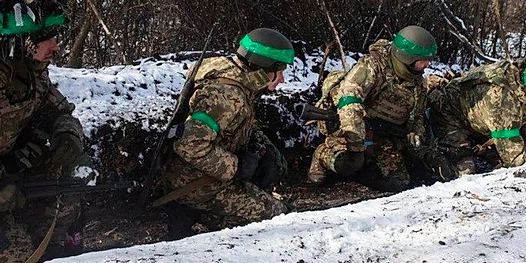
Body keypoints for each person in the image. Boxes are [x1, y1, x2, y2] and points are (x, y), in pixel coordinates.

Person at [0, 0, 97, 263]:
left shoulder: (23, 71)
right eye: (45, 37)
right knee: (16, 261)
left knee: (68, 182)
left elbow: (59, 110)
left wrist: (66, 133)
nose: (56, 45)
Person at [159, 27, 294, 235]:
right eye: (280, 71)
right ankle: (197, 215)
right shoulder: (227, 96)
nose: (282, 79)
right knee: (280, 217)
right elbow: (189, 144)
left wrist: (263, 146)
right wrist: (236, 166)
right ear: (264, 68)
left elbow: (234, 124)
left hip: (200, 176)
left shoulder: (234, 76)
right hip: (196, 185)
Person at [307, 25, 438, 192]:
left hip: (384, 137)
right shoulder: (373, 66)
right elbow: (349, 99)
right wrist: (355, 138)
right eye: (423, 60)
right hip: (353, 127)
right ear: (407, 57)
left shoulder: (417, 82)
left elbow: (417, 114)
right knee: (348, 163)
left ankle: (363, 170)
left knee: (398, 182)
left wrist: (415, 133)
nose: (427, 64)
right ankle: (322, 154)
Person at [426, 58, 526, 178]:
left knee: (499, 158)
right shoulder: (503, 103)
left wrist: (525, 142)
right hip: (449, 118)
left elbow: (523, 121)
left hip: (477, 119)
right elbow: (514, 159)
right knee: (465, 172)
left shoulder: (519, 78)